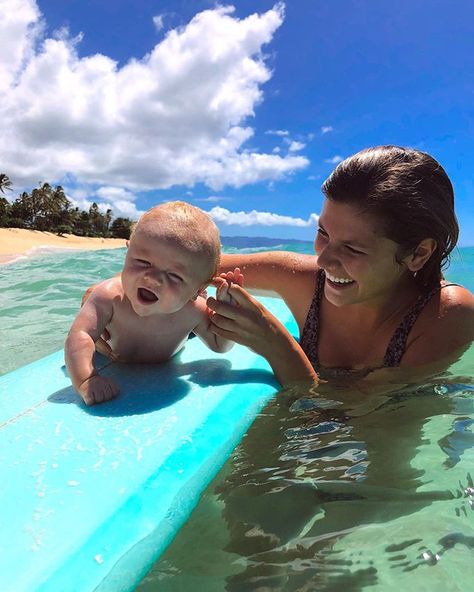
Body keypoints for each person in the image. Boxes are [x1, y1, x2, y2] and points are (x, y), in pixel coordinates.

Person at [207, 145, 474, 386]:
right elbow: (190, 261)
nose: (322, 261)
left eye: (352, 248)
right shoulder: (303, 279)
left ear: (418, 253)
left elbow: (361, 421)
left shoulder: (444, 314)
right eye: (323, 233)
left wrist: (274, 343)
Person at [66, 201, 242, 406]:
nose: (153, 279)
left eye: (175, 276)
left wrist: (228, 312)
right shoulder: (109, 297)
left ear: (197, 290)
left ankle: (190, 328)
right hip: (113, 354)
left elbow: (220, 346)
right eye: (142, 262)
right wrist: (86, 379)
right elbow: (80, 335)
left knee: (188, 321)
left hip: (179, 319)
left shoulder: (192, 311)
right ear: (128, 251)